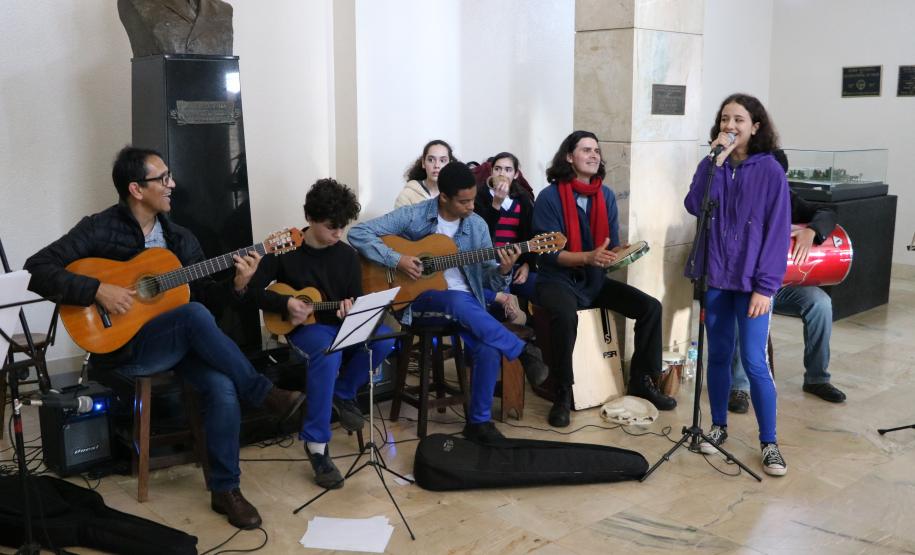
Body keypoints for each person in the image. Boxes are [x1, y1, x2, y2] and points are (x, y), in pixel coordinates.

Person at [24, 146, 305, 529]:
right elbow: (38, 268)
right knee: (191, 317)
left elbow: (204, 297)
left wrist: (238, 285)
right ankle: (262, 392)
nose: (172, 184)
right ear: (136, 189)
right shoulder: (99, 227)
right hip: (124, 349)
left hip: (179, 340)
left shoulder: (180, 237)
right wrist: (97, 291)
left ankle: (226, 491)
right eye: (163, 178)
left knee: (221, 383)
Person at [349, 162, 543, 443]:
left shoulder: (476, 225)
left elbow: (489, 278)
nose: (472, 207)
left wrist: (503, 270)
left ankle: (478, 424)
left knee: (487, 346)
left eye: (473, 199)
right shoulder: (415, 215)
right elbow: (358, 233)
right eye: (464, 202)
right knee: (455, 300)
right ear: (444, 198)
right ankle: (522, 352)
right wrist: (398, 259)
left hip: (467, 304)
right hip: (418, 302)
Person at [245, 178, 395, 489]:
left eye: (342, 227)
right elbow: (251, 291)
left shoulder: (346, 255)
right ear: (311, 219)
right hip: (305, 329)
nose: (338, 234)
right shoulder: (286, 249)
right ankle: (316, 445)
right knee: (328, 351)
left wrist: (349, 309)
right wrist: (286, 302)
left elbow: (353, 299)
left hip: (338, 324)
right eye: (331, 227)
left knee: (385, 339)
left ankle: (342, 393)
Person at [532, 131, 676, 429]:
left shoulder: (605, 195)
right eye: (586, 150)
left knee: (650, 307)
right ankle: (562, 392)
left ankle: (641, 381)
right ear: (569, 157)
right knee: (563, 314)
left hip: (593, 279)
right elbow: (548, 256)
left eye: (597, 150)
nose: (594, 154)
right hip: (557, 279)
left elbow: (607, 248)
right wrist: (588, 257)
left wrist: (619, 253)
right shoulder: (549, 197)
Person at [684, 94, 791, 476]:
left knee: (753, 360)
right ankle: (718, 427)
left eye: (739, 120)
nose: (730, 126)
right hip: (716, 277)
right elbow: (694, 204)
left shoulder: (770, 171)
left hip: (751, 283)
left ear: (755, 127)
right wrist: (711, 160)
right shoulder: (714, 165)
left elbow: (777, 233)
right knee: (717, 355)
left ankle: (769, 442)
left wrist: (766, 287)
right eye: (725, 119)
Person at [728, 152, 846, 414]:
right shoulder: (735, 197)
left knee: (820, 303)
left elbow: (829, 211)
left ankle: (817, 378)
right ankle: (739, 386)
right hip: (746, 284)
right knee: (745, 307)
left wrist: (811, 230)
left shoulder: (786, 197)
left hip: (781, 285)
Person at [393, 140, 458, 208]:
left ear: (450, 164)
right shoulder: (407, 196)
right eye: (431, 160)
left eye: (442, 160)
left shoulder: (458, 194)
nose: (436, 165)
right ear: (423, 163)